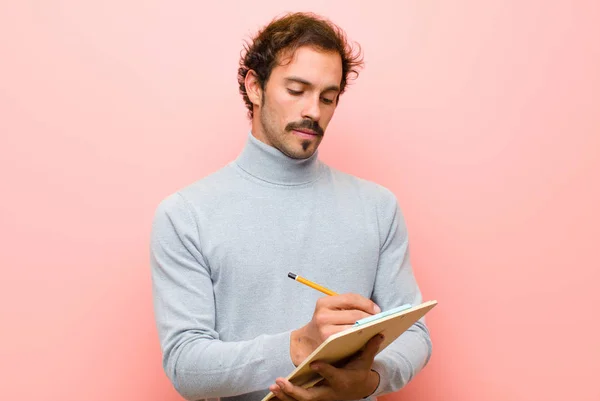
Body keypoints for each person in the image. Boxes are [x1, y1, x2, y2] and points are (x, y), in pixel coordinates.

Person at [150, 11, 432, 401]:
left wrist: (366, 383)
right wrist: (298, 344)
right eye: (297, 90)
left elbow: (414, 332)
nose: (313, 111)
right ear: (254, 86)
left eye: (328, 97)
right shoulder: (186, 215)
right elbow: (185, 365)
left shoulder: (378, 207)